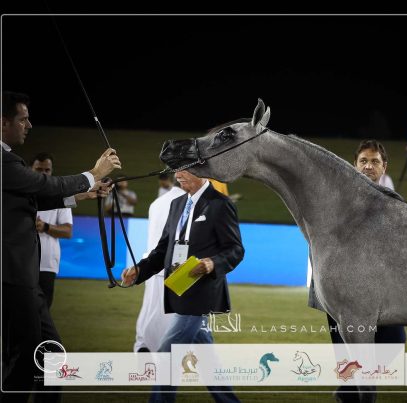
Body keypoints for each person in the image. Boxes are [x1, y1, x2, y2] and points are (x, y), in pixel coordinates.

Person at [1, 91, 121, 401]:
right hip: (13, 277)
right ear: (3, 122)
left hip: (24, 278)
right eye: (23, 119)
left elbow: (34, 196)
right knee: (27, 353)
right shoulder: (4, 161)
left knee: (42, 350)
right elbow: (42, 186)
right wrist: (93, 173)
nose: (29, 125)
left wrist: (83, 193)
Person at [121, 169, 244, 403]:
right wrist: (140, 270)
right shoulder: (176, 204)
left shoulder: (220, 204)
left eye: (185, 169)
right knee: (207, 357)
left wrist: (212, 263)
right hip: (177, 290)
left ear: (202, 171)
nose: (178, 174)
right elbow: (162, 250)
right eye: (177, 169)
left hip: (200, 293)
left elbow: (235, 249)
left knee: (167, 353)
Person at [307, 139, 406, 403]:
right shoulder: (336, 198)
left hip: (384, 293)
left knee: (394, 342)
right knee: (348, 352)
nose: (368, 166)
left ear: (384, 167)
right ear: (354, 165)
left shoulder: (395, 203)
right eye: (363, 161)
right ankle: (353, 393)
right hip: (343, 292)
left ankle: (349, 392)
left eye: (374, 161)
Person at [134, 175, 185, 353]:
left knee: (149, 312)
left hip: (152, 266)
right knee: (171, 322)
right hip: (174, 268)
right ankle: (153, 353)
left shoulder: (157, 202)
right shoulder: (185, 203)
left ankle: (143, 347)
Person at [31, 152, 73, 309]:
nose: (43, 173)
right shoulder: (20, 193)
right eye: (39, 169)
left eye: (47, 170)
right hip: (20, 262)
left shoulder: (60, 197)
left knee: (43, 311)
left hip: (46, 263)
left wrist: (45, 227)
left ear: (52, 171)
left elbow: (67, 231)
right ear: (30, 169)